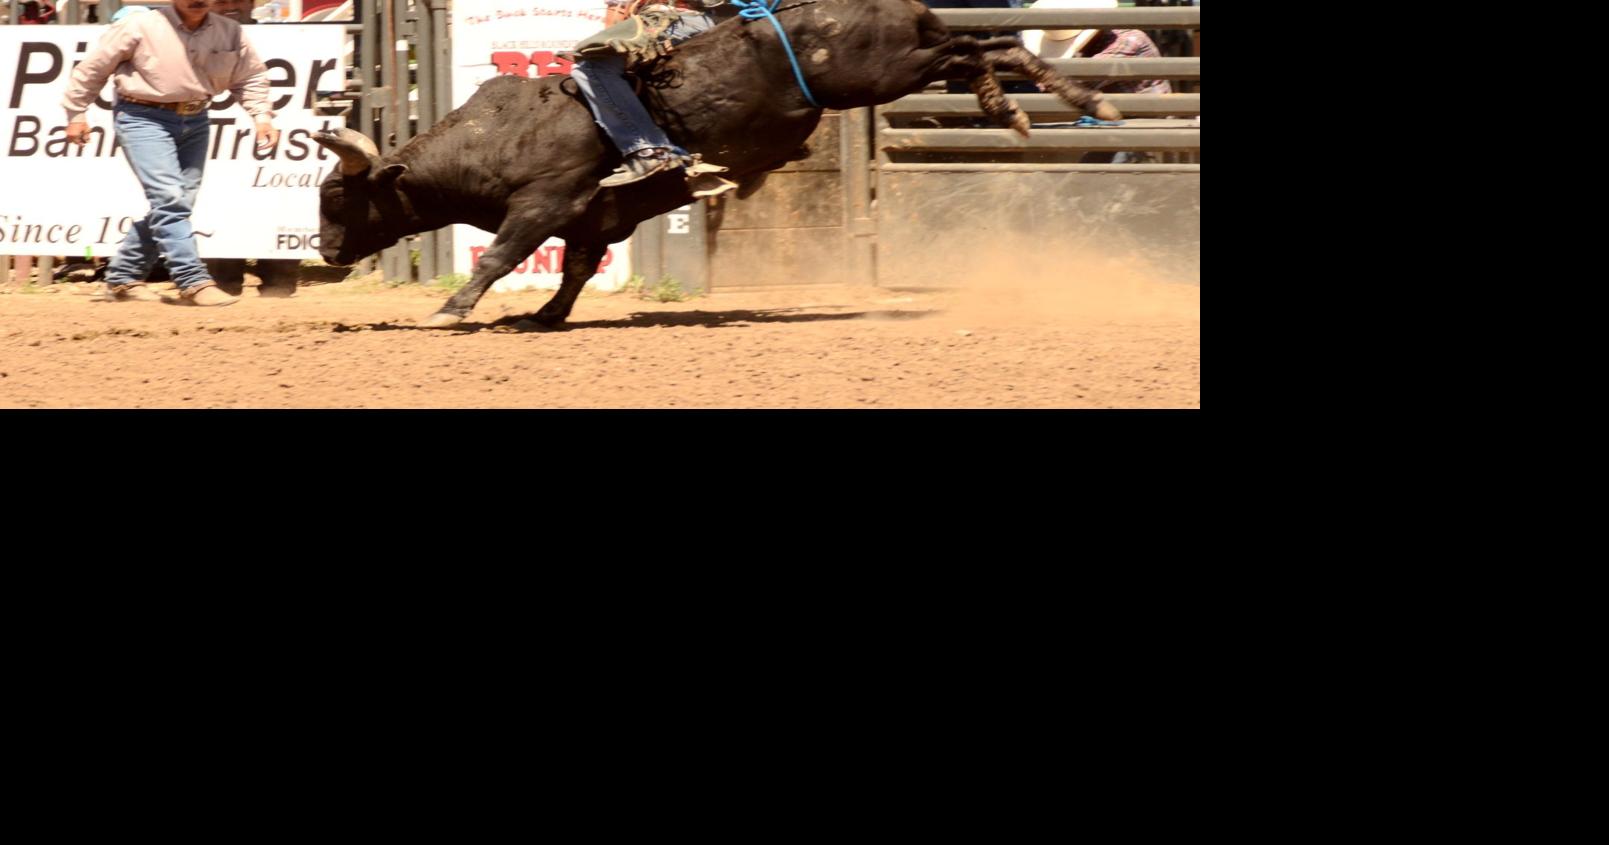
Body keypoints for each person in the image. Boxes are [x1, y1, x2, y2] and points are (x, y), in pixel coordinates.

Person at [62, 0, 279, 306]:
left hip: (196, 117)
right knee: (170, 199)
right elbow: (93, 68)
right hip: (141, 116)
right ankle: (193, 282)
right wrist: (76, 113)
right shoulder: (139, 25)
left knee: (177, 202)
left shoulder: (229, 31)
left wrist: (262, 117)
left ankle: (123, 278)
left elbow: (251, 76)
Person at [569, 0, 735, 195]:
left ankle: (648, 152)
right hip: (686, 19)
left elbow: (617, 11)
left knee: (593, 67)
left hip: (675, 20)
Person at [201, 0, 302, 297]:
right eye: (222, 0)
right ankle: (223, 283)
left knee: (283, 202)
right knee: (216, 203)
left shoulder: (287, 39)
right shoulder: (195, 38)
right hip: (215, 141)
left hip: (278, 140)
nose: (232, 5)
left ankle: (279, 283)